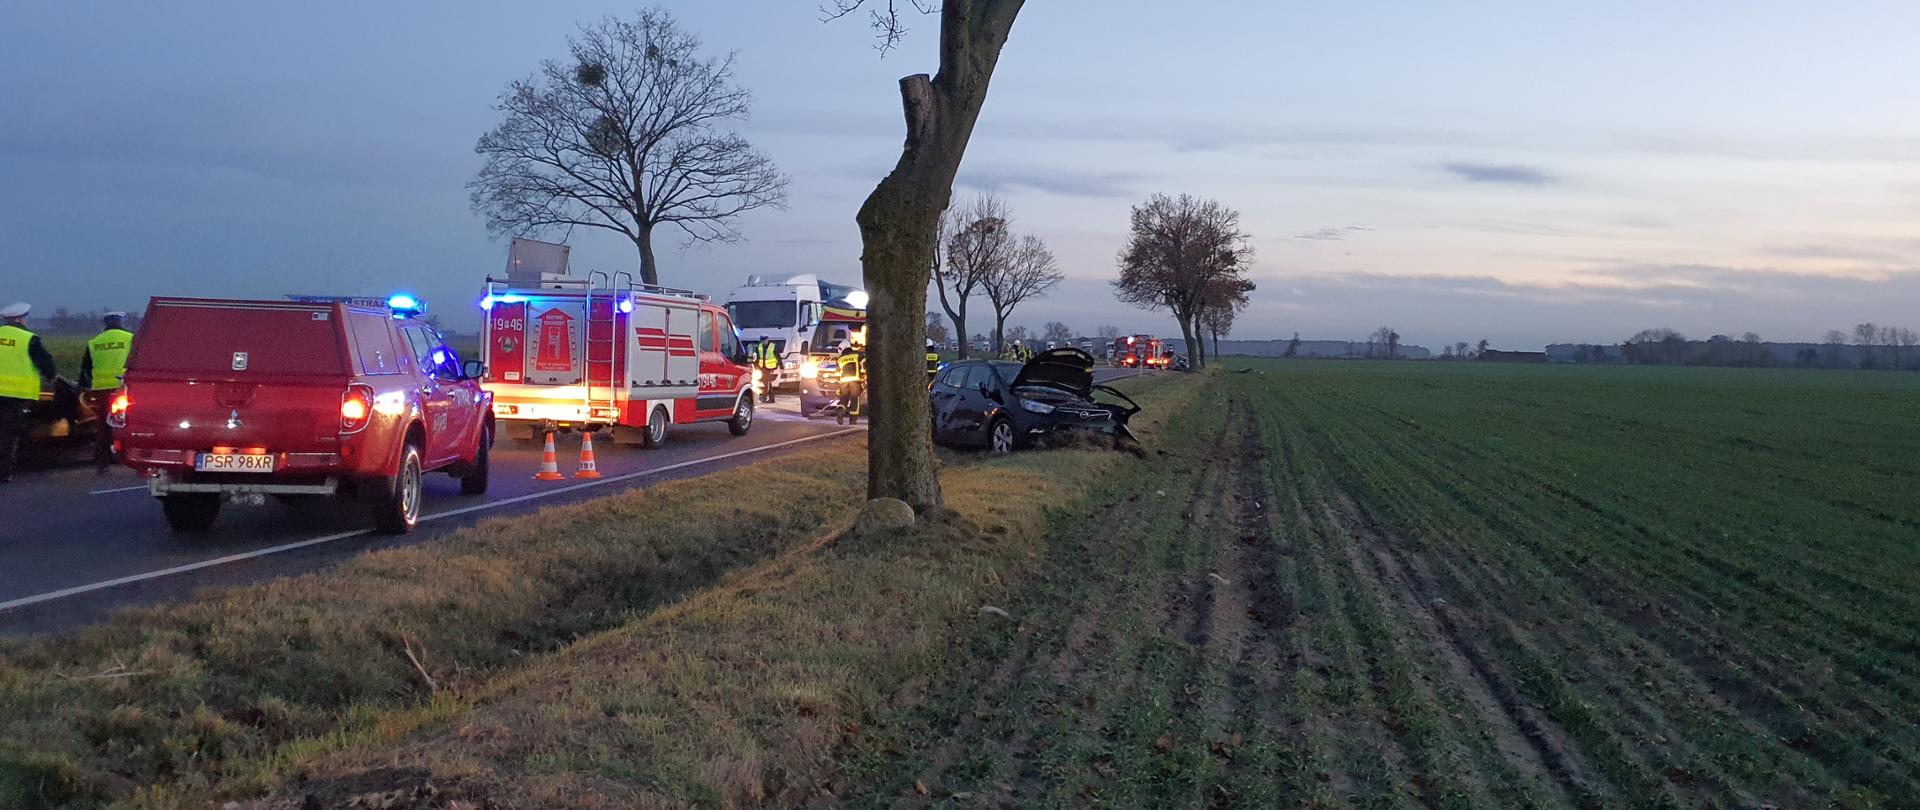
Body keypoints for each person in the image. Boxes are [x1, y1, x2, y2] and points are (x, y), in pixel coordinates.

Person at [0, 302, 59, 483]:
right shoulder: (28, 338)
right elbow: (45, 362)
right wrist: (51, 377)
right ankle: (4, 472)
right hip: (15, 395)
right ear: (20, 319)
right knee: (8, 434)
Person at [80, 311, 134, 472]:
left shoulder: (95, 342)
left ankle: (102, 462)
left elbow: (86, 368)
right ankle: (128, 457)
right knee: (128, 423)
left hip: (101, 389)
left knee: (103, 425)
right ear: (120, 322)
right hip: (124, 387)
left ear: (105, 323)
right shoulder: (130, 338)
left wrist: (83, 386)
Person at [835, 336, 864, 425]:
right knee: (854, 399)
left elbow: (837, 373)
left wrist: (838, 386)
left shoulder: (840, 359)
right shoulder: (857, 355)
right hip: (855, 380)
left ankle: (840, 411)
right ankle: (852, 420)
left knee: (843, 398)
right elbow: (865, 364)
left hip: (843, 381)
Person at [756, 339, 781, 403]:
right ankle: (771, 398)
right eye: (762, 341)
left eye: (764, 340)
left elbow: (778, 356)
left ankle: (764, 397)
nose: (763, 342)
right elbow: (758, 357)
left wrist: (780, 365)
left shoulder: (772, 346)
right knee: (768, 383)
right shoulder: (759, 346)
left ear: (767, 340)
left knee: (766, 383)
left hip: (770, 368)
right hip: (762, 367)